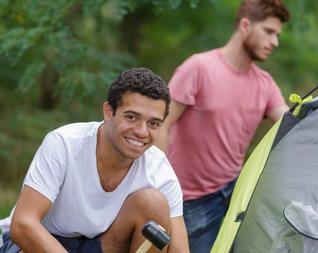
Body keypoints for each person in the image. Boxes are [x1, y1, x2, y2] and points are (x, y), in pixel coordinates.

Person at [0, 68, 189, 253]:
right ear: (108, 111)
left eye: (153, 123)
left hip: (100, 245)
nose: (142, 131)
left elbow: (179, 250)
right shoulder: (65, 143)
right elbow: (23, 225)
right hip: (37, 242)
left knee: (153, 203)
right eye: (131, 117)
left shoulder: (159, 169)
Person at [155, 0, 290, 252]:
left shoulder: (265, 83)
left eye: (277, 35)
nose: (275, 42)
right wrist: (162, 187)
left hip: (235, 196)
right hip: (189, 202)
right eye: (269, 32)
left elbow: (289, 119)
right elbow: (161, 125)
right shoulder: (198, 68)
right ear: (245, 25)